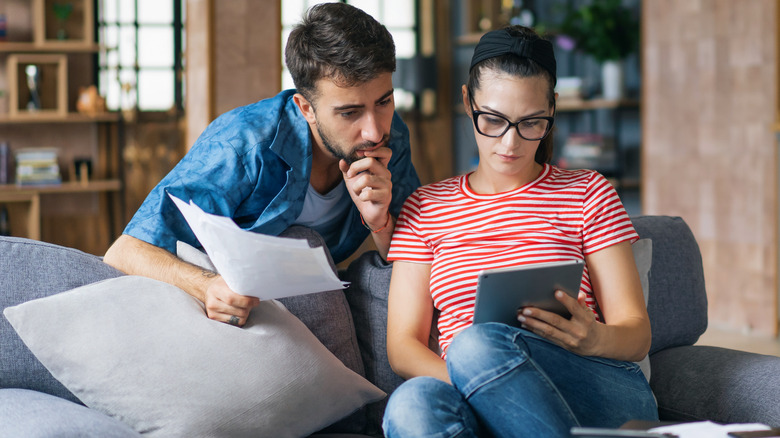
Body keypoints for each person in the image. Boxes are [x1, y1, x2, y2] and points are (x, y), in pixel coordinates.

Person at [383, 25, 657, 437]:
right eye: (493, 120)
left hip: (593, 384)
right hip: (475, 388)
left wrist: (593, 338)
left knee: (474, 344)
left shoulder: (588, 192)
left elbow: (636, 334)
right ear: (466, 101)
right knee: (411, 403)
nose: (510, 143)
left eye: (532, 122)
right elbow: (402, 346)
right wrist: (479, 383)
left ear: (553, 110)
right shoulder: (425, 207)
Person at [103, 3, 420, 328]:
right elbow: (125, 251)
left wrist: (379, 222)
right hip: (226, 306)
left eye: (384, 102)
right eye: (349, 113)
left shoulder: (390, 136)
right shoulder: (243, 144)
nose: (374, 130)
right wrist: (207, 286)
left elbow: (416, 255)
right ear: (306, 108)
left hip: (315, 298)